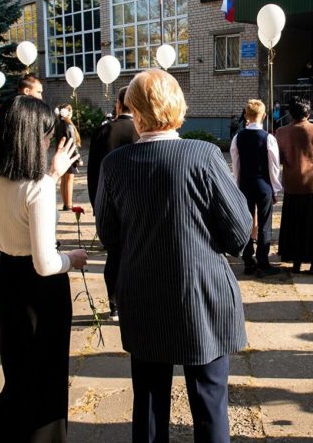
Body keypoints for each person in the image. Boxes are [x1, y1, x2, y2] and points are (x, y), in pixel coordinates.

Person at [95, 69, 252, 443]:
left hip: (143, 291)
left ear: (135, 111)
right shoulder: (203, 155)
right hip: (202, 291)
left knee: (149, 401)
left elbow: (109, 235)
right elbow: (238, 232)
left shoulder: (114, 164)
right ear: (178, 106)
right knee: (210, 401)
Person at [0, 95, 85, 442]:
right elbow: (46, 262)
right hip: (42, 291)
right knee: (47, 373)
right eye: (46, 137)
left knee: (18, 368)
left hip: (7, 277)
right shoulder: (37, 187)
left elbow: (18, 206)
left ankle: (10, 431)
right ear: (31, 137)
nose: (48, 143)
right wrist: (73, 259)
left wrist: (52, 176)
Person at [87, 86, 140, 320]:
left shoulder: (103, 131)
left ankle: (114, 304)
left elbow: (93, 173)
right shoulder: (142, 130)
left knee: (114, 254)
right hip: (137, 203)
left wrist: (96, 204)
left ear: (118, 104)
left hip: (108, 201)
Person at [276, 98, 313, 275]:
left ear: (290, 113)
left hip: (293, 184)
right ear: (308, 113)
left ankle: (296, 262)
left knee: (295, 224)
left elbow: (278, 157)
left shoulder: (281, 132)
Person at [230, 99, 284, 277]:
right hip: (264, 185)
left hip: (245, 185)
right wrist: (275, 188)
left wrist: (237, 186)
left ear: (246, 115)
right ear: (264, 116)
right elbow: (274, 166)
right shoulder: (269, 138)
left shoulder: (238, 138)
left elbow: (236, 165)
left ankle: (248, 261)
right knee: (264, 224)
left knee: (246, 223)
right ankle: (263, 262)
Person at [55, 104, 82, 211]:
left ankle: (65, 203)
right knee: (69, 180)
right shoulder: (69, 126)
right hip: (69, 156)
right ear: (69, 112)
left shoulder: (58, 124)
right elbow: (72, 143)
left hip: (60, 154)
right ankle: (69, 204)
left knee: (63, 180)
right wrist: (78, 158)